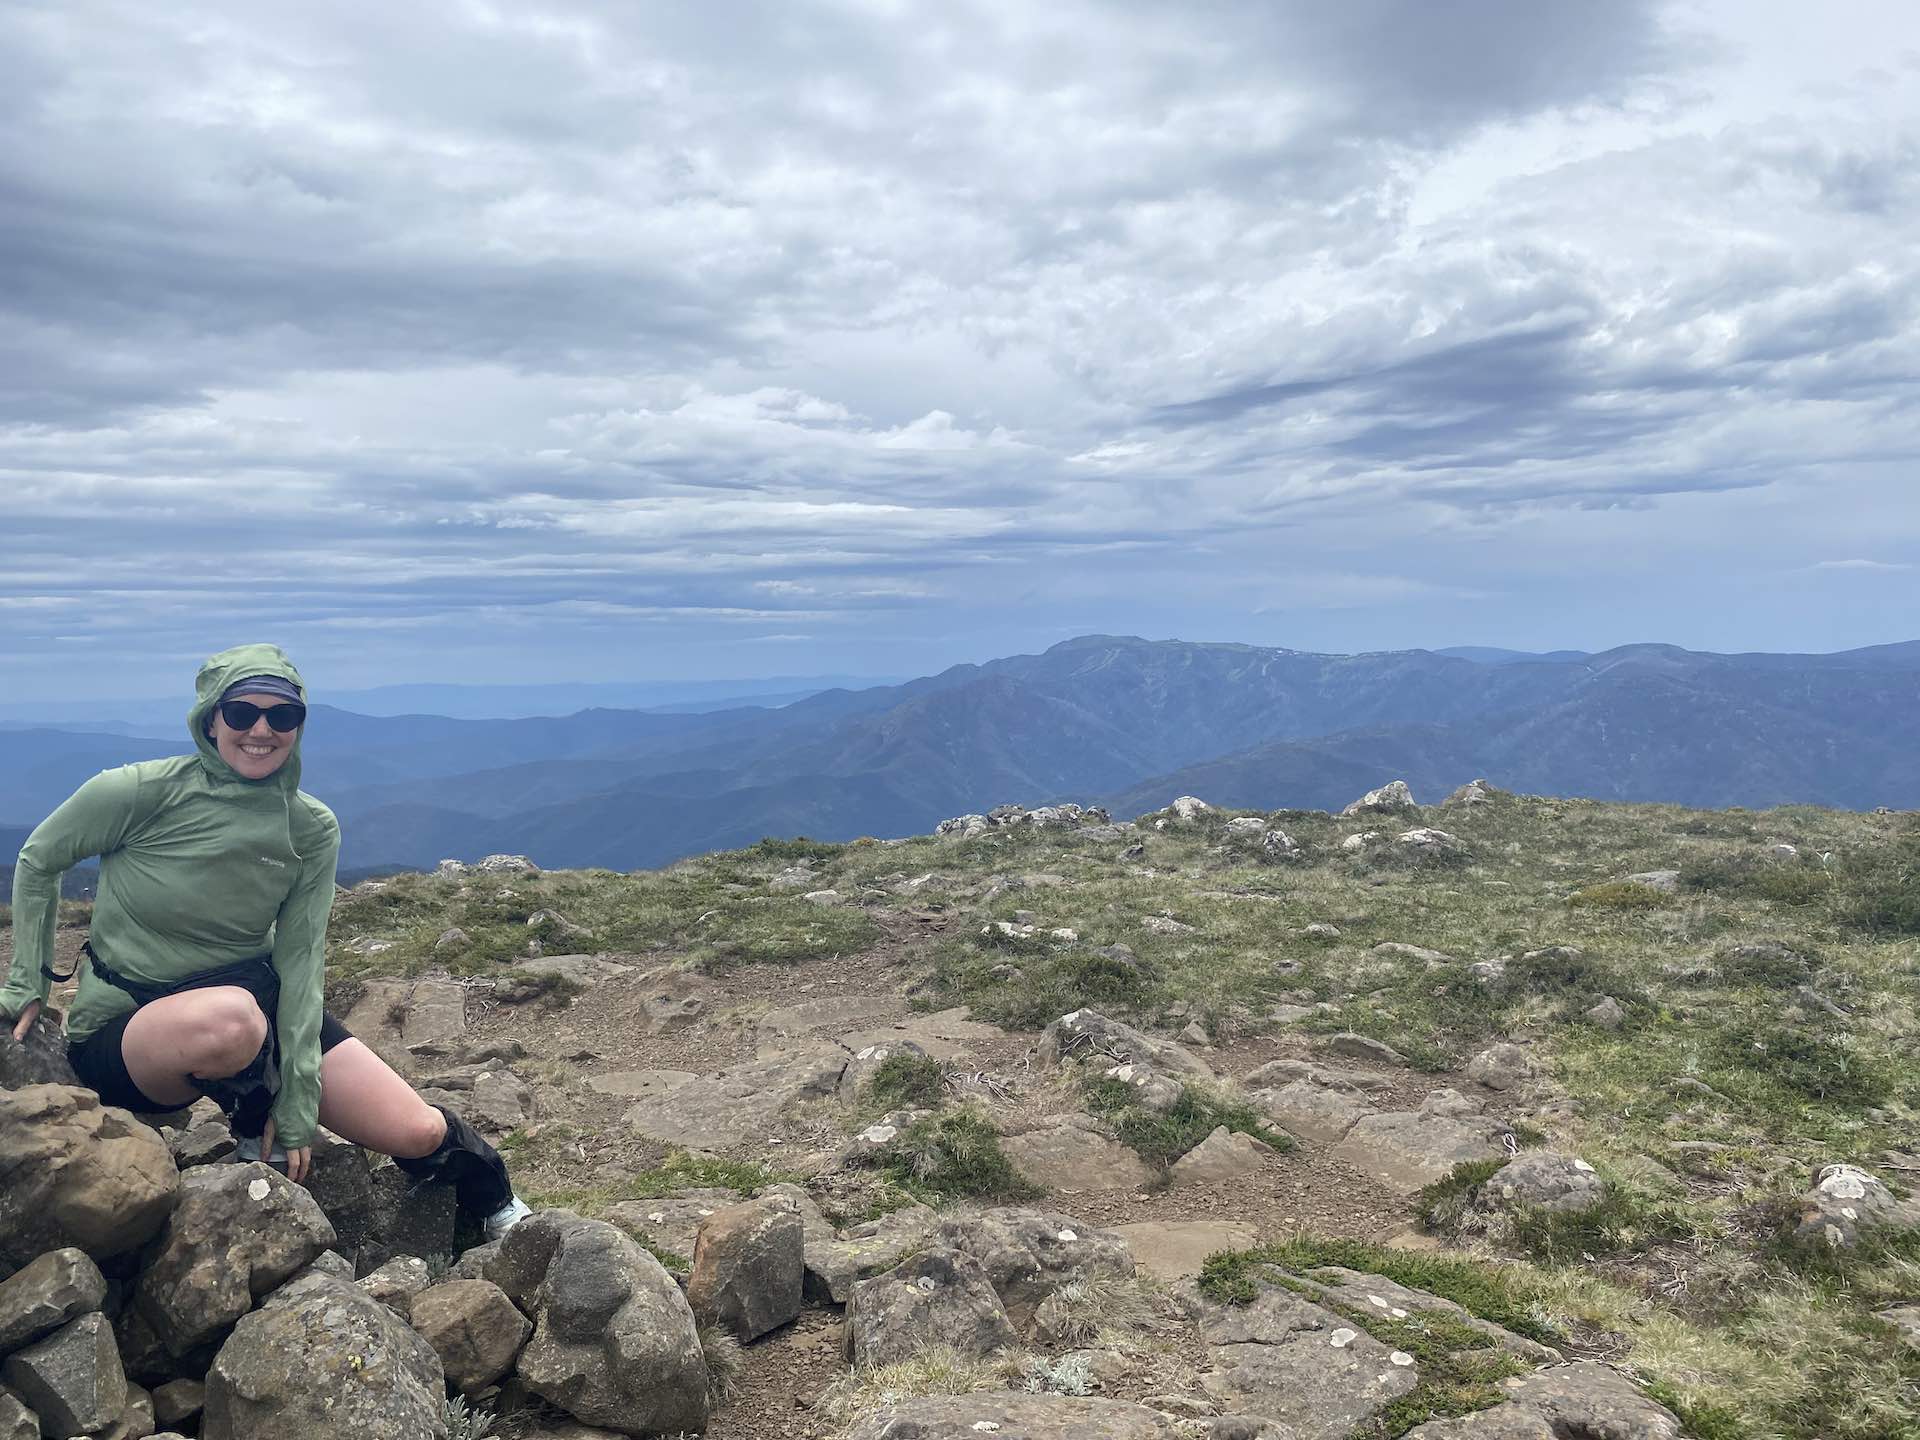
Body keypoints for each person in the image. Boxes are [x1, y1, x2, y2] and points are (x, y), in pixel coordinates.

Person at [0, 643, 531, 1240]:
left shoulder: (310, 826)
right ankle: (254, 1121)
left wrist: (301, 1094)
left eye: (282, 715)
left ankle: (499, 1206)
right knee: (230, 1020)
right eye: (241, 712)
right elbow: (39, 859)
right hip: (130, 1028)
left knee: (417, 1130)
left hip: (257, 1002)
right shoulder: (137, 792)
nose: (261, 729)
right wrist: (28, 978)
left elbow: (300, 960)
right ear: (210, 720)